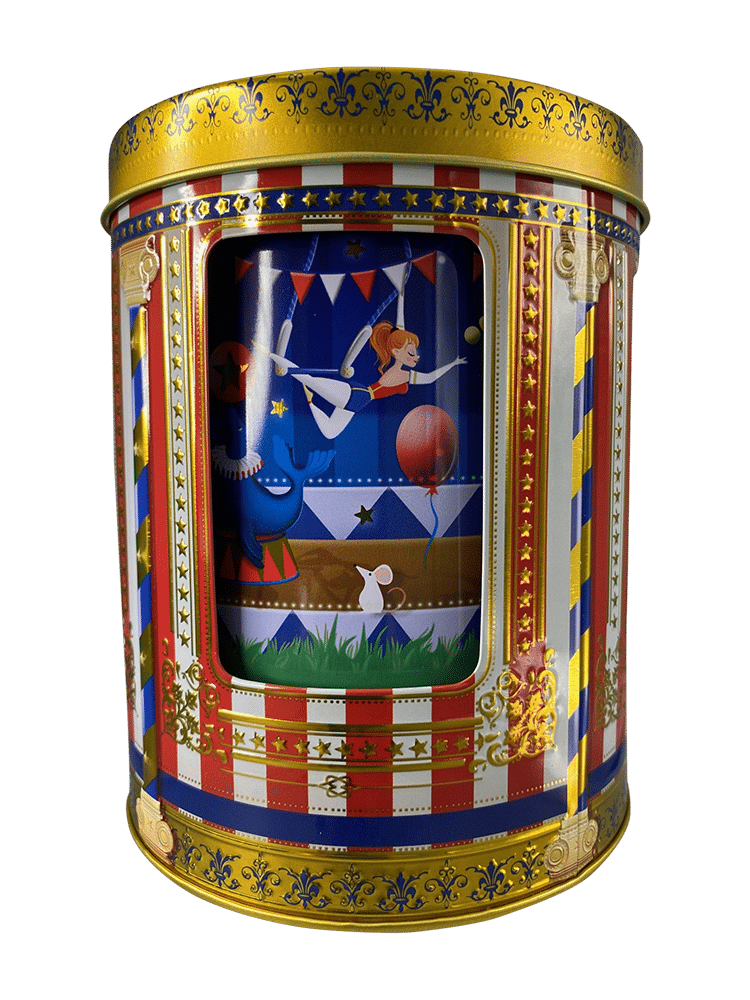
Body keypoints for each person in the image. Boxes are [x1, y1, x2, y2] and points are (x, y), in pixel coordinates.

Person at [264, 321, 466, 439]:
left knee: (330, 432)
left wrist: (453, 363)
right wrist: (453, 363)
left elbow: (429, 377)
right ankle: (270, 354)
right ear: (396, 352)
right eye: (411, 352)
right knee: (309, 379)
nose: (416, 357)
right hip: (356, 394)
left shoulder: (403, 373)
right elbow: (429, 377)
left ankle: (310, 400)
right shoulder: (400, 373)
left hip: (358, 402)